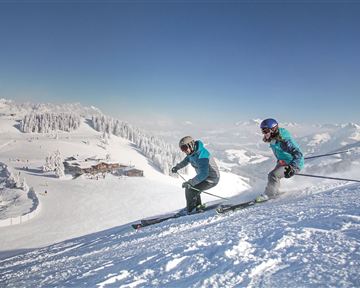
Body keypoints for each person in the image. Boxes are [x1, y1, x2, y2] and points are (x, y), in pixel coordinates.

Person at [256, 118, 304, 202]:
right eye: (262, 131)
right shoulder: (274, 137)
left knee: (273, 175)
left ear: (273, 129)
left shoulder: (284, 141)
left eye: (265, 130)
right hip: (284, 161)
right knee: (272, 176)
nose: (264, 133)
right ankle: (274, 191)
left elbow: (298, 154)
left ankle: (269, 195)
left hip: (293, 163)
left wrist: (293, 167)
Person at [171, 136, 220, 213]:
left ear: (190, 145)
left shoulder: (202, 155)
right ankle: (197, 206)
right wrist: (177, 167)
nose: (183, 151)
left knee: (190, 189)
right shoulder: (191, 153)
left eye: (184, 148)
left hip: (212, 178)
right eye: (182, 149)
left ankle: (192, 210)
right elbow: (185, 161)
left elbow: (204, 174)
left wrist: (190, 182)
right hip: (205, 177)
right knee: (193, 188)